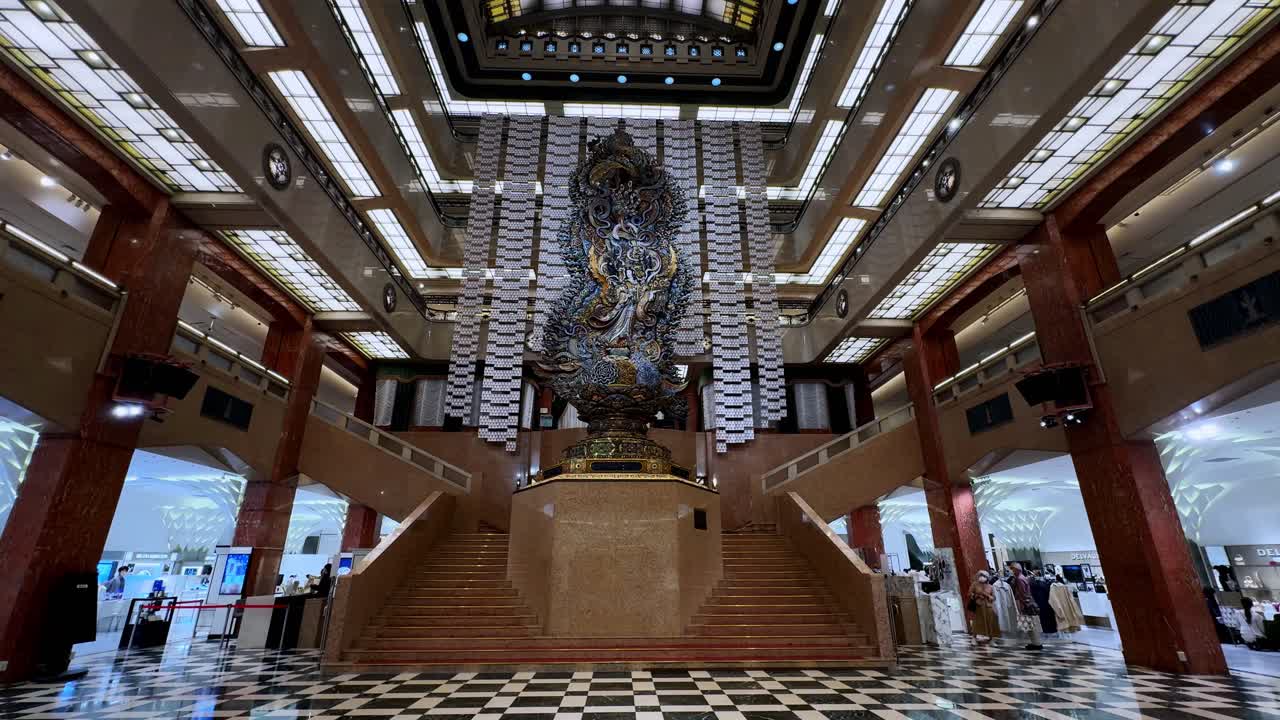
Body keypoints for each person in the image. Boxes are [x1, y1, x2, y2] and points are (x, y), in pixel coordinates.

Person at [1010, 563, 1043, 650]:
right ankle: (1036, 642)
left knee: (1030, 624)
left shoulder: (1019, 579)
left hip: (1025, 604)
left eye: (1013, 569)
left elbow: (1022, 593)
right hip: (1028, 602)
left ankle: (1036, 643)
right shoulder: (1022, 578)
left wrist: (1023, 605)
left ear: (1017, 570)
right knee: (1031, 624)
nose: (1012, 571)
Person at [967, 570, 999, 644]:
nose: (982, 577)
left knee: (990, 622)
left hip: (988, 606)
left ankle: (991, 638)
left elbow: (994, 597)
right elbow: (969, 594)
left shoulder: (990, 586)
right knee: (977, 622)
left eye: (984, 576)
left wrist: (989, 597)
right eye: (980, 575)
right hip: (979, 606)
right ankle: (974, 637)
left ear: (987, 577)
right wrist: (976, 596)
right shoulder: (974, 585)